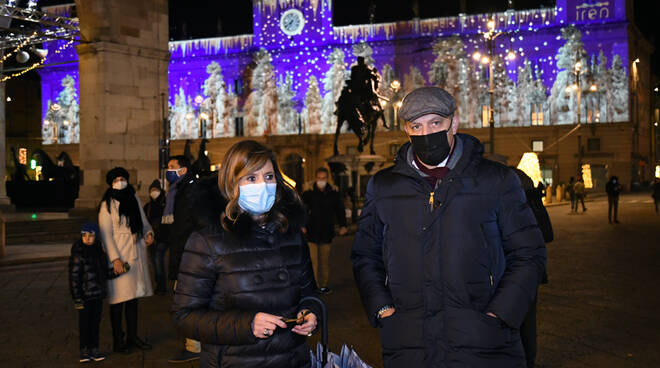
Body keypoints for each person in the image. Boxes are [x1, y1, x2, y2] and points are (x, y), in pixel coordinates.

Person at [351, 87, 547, 367]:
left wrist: (501, 315)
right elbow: (365, 256)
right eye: (416, 126)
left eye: (435, 123)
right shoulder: (383, 186)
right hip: (409, 343)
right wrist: (382, 309)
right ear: (406, 130)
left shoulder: (497, 180)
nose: (425, 133)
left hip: (484, 341)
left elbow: (529, 253)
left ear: (453, 123)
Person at [172, 140, 320, 368]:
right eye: (251, 178)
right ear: (232, 184)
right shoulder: (207, 241)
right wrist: (247, 325)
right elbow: (185, 317)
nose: (263, 184)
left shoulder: (291, 234)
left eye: (269, 177)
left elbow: (309, 294)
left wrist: (311, 313)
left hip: (293, 360)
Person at [98, 167, 154, 354]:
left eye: (123, 178)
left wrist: (148, 232)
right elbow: (106, 234)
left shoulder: (133, 198)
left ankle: (132, 336)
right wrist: (114, 259)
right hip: (119, 257)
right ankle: (117, 340)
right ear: (111, 182)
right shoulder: (107, 204)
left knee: (133, 299)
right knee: (117, 300)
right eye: (117, 179)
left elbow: (143, 221)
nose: (120, 181)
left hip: (135, 254)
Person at [510, 167, 553, 368]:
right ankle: (528, 360)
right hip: (531, 270)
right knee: (527, 319)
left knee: (518, 320)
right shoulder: (533, 201)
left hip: (517, 270)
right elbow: (547, 234)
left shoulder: (516, 205)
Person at [161, 155, 203, 363]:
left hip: (189, 257)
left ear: (183, 170)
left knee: (188, 301)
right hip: (185, 254)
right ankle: (195, 343)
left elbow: (187, 228)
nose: (168, 170)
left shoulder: (188, 192)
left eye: (172, 167)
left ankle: (195, 345)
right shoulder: (177, 191)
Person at [69, 222, 116, 363]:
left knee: (95, 323)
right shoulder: (78, 254)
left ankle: (94, 348)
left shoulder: (99, 253)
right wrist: (77, 298)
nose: (87, 238)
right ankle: (84, 350)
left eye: (91, 235)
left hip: (97, 296)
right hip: (84, 297)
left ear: (96, 237)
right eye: (84, 235)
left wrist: (117, 271)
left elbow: (104, 273)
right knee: (84, 324)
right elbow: (74, 278)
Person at [302, 167, 348, 294]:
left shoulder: (333, 193)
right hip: (311, 232)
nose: (321, 180)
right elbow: (302, 210)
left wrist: (343, 225)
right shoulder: (309, 193)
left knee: (324, 261)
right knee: (313, 261)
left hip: (326, 232)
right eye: (319, 178)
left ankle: (323, 285)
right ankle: (314, 285)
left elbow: (340, 210)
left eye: (324, 178)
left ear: (327, 179)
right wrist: (302, 225)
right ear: (315, 178)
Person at [143, 179, 168, 294]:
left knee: (158, 260)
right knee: (154, 262)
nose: (154, 192)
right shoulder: (147, 206)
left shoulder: (166, 203)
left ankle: (161, 286)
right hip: (151, 238)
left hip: (162, 237)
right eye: (152, 190)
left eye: (156, 190)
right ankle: (159, 282)